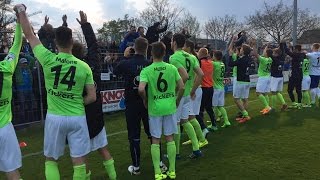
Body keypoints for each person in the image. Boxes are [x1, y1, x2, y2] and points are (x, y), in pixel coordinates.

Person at [15, 4, 97, 179]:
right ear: (71, 42)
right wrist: (76, 101)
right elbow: (92, 96)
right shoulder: (84, 66)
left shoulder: (48, 58)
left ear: (56, 43)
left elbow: (29, 34)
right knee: (79, 162)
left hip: (55, 117)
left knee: (51, 160)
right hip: (77, 117)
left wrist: (22, 10)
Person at [70, 11, 117, 180]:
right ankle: (113, 176)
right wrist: (85, 25)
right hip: (96, 114)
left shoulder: (70, 69)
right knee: (103, 149)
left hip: (79, 115)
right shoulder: (92, 64)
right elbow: (94, 45)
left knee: (82, 156)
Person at [114, 37, 167, 175]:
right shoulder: (150, 64)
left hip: (132, 105)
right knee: (153, 135)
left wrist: (124, 57)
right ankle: (160, 163)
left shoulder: (126, 63)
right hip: (148, 104)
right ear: (147, 48)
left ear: (134, 48)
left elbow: (115, 71)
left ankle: (136, 167)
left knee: (134, 136)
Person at [139, 42, 184, 180]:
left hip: (155, 109)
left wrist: (145, 100)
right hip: (170, 107)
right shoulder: (171, 68)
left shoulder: (146, 70)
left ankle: (158, 172)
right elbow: (182, 87)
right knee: (170, 137)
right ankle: (172, 170)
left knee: (155, 139)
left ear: (151, 54)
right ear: (165, 53)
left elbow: (141, 89)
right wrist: (176, 100)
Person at [170, 33, 205, 159]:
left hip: (179, 95)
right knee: (185, 121)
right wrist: (192, 90)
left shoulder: (174, 58)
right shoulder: (191, 57)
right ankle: (196, 149)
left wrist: (175, 91)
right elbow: (201, 74)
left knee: (177, 123)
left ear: (174, 42)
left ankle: (176, 153)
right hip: (187, 95)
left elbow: (183, 77)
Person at [0, 14, 23, 180]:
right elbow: (16, 44)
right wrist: (19, 21)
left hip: (6, 128)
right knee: (12, 172)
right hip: (5, 129)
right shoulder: (7, 66)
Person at [182, 42, 209, 147]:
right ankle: (195, 137)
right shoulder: (191, 57)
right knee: (190, 116)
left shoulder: (192, 58)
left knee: (191, 116)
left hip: (194, 90)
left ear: (188, 47)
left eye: (184, 46)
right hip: (193, 89)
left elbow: (200, 75)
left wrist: (193, 89)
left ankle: (202, 137)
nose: (182, 48)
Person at [229, 44, 254, 123]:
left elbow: (230, 64)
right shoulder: (249, 58)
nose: (240, 49)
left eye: (242, 48)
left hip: (240, 81)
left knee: (236, 99)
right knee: (245, 99)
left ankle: (245, 115)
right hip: (247, 80)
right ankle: (244, 116)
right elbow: (253, 66)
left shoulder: (242, 59)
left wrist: (230, 56)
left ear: (243, 50)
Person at [196, 48, 216, 133]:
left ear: (201, 54)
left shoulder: (200, 62)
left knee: (200, 109)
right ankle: (214, 125)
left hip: (203, 88)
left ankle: (202, 127)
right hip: (210, 87)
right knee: (209, 107)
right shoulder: (211, 63)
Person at [282, 41, 306, 109]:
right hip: (300, 75)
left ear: (296, 49)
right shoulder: (302, 55)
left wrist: (283, 43)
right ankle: (299, 104)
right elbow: (294, 53)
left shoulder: (296, 55)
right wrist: (291, 46)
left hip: (294, 75)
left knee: (289, 90)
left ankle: (294, 103)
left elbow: (287, 51)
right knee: (299, 90)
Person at [252, 44, 273, 115]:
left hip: (263, 78)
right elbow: (264, 54)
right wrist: (266, 46)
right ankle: (267, 107)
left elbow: (255, 54)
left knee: (258, 93)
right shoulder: (270, 59)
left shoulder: (263, 60)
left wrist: (253, 46)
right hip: (268, 77)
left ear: (266, 53)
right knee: (265, 93)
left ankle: (267, 107)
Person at [212, 50, 230, 128]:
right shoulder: (222, 64)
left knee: (214, 106)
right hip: (221, 87)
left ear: (215, 56)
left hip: (215, 87)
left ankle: (215, 120)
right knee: (220, 106)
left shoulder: (214, 64)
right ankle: (226, 120)